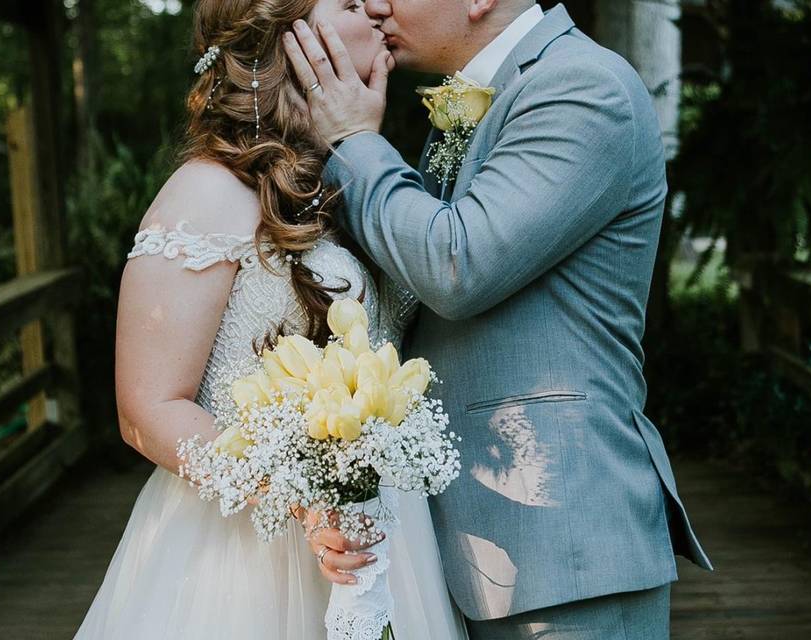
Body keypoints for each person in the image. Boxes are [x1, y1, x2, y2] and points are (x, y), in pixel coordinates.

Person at [283, 1, 714, 638]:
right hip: (470, 544)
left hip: (559, 544)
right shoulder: (481, 96)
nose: (373, 4)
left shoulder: (580, 87)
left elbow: (455, 265)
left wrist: (353, 141)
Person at [73, 1, 465, 638]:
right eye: (350, 2)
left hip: (388, 537)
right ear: (291, 38)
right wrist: (301, 499)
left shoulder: (355, 181)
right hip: (247, 555)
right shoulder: (206, 191)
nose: (378, 8)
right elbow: (146, 408)